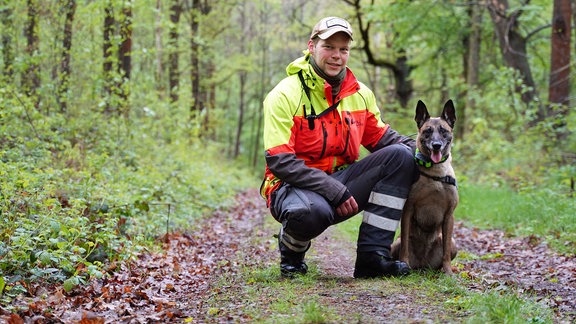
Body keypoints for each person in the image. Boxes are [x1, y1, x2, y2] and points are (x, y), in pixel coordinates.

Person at [260, 16, 417, 278]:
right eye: (329, 47)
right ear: (311, 47)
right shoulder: (284, 94)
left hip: (341, 183)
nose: (337, 56)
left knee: (402, 156)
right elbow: (280, 161)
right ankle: (292, 253)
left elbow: (385, 140)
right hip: (292, 187)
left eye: (343, 49)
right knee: (310, 212)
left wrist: (430, 154)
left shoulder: (361, 94)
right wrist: (333, 190)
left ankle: (373, 259)